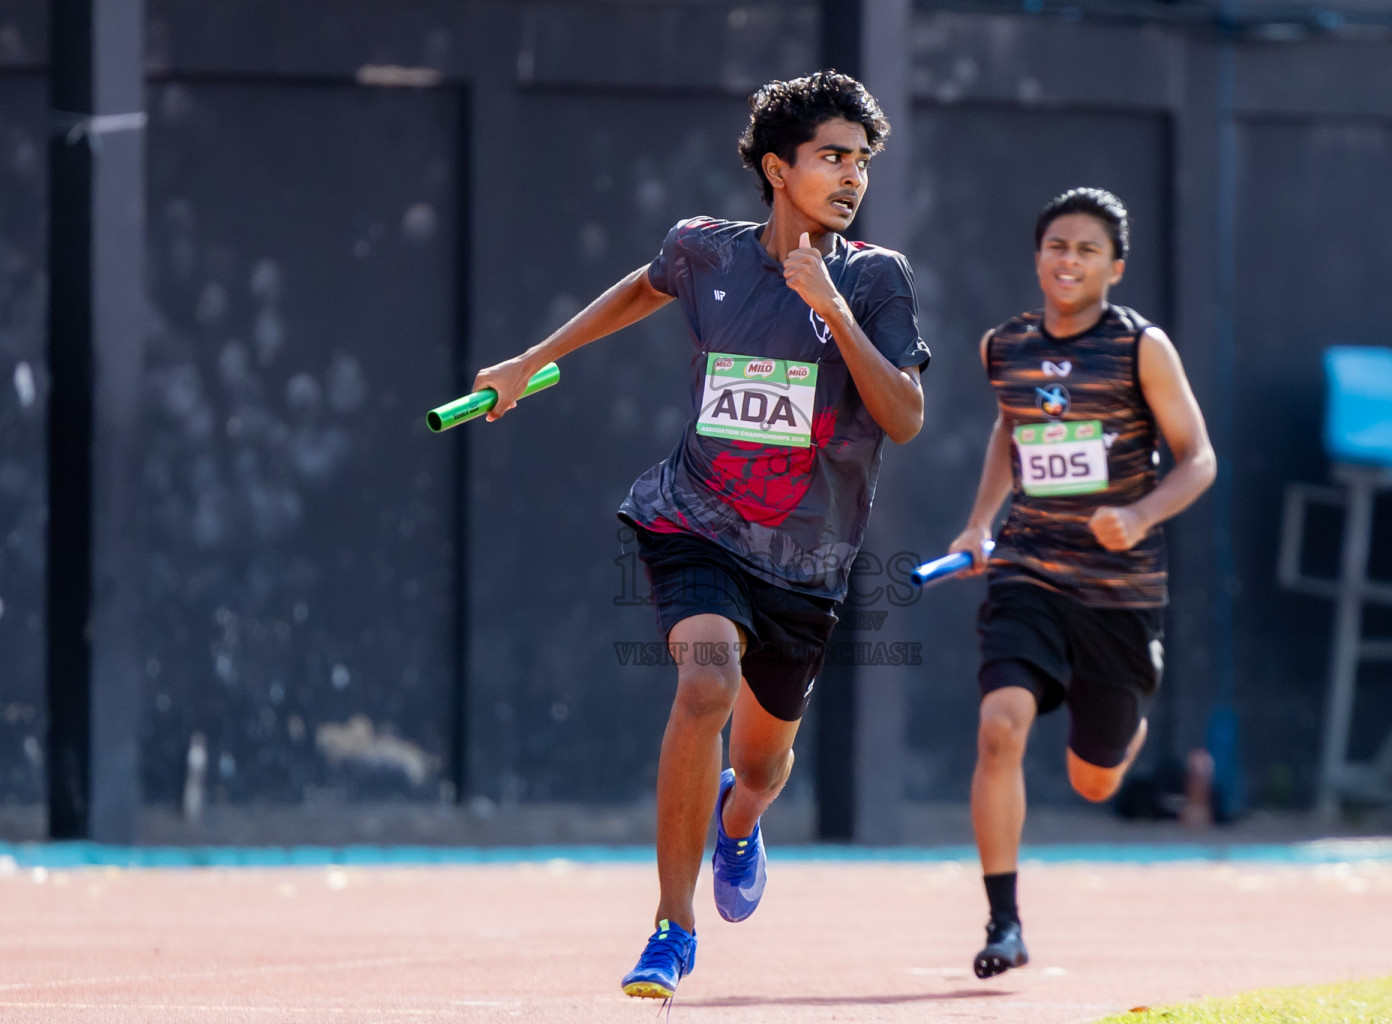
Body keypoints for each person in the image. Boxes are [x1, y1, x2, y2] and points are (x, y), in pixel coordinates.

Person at [473, 70, 930, 1000]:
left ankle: (739, 820)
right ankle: (671, 930)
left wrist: (834, 312)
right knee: (706, 675)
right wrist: (531, 362)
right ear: (777, 167)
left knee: (761, 763)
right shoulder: (703, 252)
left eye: (862, 162)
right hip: (698, 518)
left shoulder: (877, 278)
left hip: (808, 561)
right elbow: (639, 292)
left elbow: (907, 416)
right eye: (832, 157)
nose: (852, 177)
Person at [945, 187, 1216, 979]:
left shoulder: (1142, 349)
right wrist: (980, 523)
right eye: (1057, 245)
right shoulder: (1005, 346)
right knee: (1000, 727)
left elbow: (1198, 457)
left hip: (1118, 593)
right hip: (1031, 566)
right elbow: (1010, 426)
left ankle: (1127, 715)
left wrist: (1140, 514)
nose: (1069, 260)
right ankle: (1004, 923)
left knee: (1093, 781)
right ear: (1038, 257)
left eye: (1087, 249)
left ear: (1116, 267)